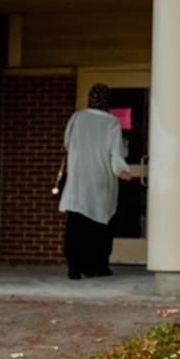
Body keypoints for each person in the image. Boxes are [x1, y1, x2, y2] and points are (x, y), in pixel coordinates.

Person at [59, 84, 132, 280]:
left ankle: (74, 266)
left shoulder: (77, 118)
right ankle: (97, 266)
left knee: (76, 224)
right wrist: (124, 172)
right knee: (100, 224)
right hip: (101, 181)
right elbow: (115, 156)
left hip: (79, 181)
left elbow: (67, 143)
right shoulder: (112, 123)